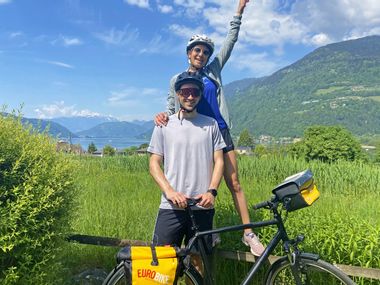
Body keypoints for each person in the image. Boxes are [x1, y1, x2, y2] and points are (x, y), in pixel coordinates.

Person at [154, 0, 265, 256]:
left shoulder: (214, 70)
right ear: (188, 53)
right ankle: (208, 230)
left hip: (220, 131)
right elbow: (172, 109)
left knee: (234, 182)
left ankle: (248, 233)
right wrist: (162, 117)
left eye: (205, 51)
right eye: (196, 50)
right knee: (203, 185)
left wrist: (238, 12)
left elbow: (230, 43)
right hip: (196, 136)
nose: (201, 55)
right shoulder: (177, 80)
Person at [148, 72, 225, 272]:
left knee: (200, 265)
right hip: (170, 207)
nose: (190, 96)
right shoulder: (164, 124)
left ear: (200, 94)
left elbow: (219, 160)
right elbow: (154, 163)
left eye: (195, 92)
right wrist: (170, 192)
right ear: (177, 94)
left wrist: (212, 191)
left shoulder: (211, 124)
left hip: (202, 206)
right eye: (185, 92)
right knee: (162, 266)